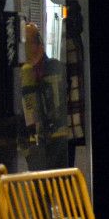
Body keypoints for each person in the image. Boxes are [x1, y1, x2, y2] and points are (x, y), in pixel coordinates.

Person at [20, 22, 70, 170]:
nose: (24, 48)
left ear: (37, 44)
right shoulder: (23, 73)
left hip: (56, 140)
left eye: (27, 43)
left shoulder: (55, 68)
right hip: (35, 144)